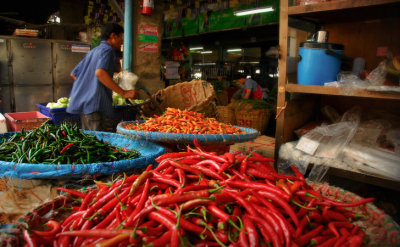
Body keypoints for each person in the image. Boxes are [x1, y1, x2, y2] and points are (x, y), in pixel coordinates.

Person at [67, 22, 138, 131]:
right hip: (96, 107)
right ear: (113, 36)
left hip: (86, 107)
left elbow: (74, 74)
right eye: (121, 37)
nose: (121, 41)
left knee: (89, 142)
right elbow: (100, 73)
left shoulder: (93, 51)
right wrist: (124, 93)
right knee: (97, 142)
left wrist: (90, 88)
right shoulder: (107, 50)